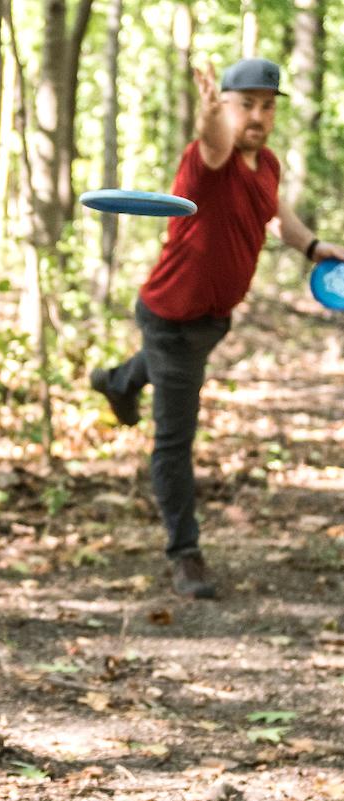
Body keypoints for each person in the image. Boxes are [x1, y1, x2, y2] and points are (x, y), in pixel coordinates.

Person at [89, 57, 344, 600]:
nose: (257, 115)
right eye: (244, 103)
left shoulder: (267, 164)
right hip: (172, 316)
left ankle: (117, 381)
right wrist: (210, 118)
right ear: (224, 106)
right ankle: (185, 554)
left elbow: (276, 214)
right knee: (175, 439)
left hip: (212, 321)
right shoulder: (210, 160)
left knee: (163, 371)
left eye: (266, 106)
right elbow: (212, 143)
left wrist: (314, 248)